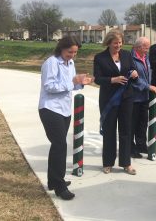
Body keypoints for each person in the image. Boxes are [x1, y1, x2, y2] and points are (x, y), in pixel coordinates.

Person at [38, 36, 93, 200]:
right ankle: (59, 186)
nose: (73, 55)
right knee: (60, 145)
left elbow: (72, 86)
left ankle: (53, 181)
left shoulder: (71, 63)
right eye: (70, 52)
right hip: (50, 108)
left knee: (57, 146)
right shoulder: (52, 63)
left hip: (64, 110)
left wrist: (82, 82)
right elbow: (49, 86)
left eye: (75, 52)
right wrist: (72, 82)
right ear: (61, 48)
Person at [93, 29, 138, 175]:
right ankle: (108, 163)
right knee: (109, 131)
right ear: (108, 43)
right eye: (115, 43)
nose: (118, 45)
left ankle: (126, 163)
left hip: (126, 98)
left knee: (126, 130)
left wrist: (134, 73)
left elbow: (132, 70)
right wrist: (113, 79)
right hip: (109, 99)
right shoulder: (100, 58)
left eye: (120, 43)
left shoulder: (126, 54)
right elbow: (98, 79)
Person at [131, 37, 156, 158]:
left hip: (144, 97)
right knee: (133, 124)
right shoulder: (130, 59)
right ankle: (131, 149)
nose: (148, 50)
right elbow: (134, 79)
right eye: (146, 47)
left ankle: (141, 145)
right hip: (134, 97)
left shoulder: (145, 57)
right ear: (138, 47)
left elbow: (148, 73)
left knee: (142, 123)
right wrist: (148, 86)